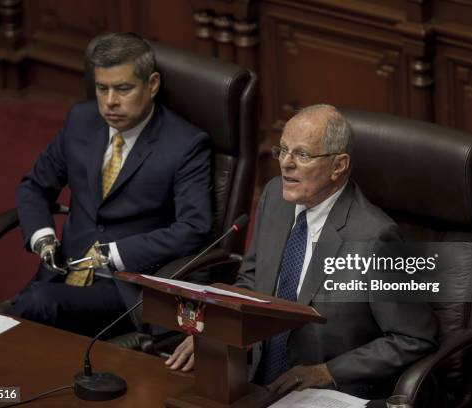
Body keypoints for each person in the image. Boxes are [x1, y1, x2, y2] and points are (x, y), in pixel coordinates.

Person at [165, 104, 437, 399]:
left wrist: (327, 371)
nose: (285, 163)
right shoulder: (274, 196)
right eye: (282, 150)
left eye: (302, 154)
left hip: (328, 392)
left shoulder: (374, 238)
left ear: (338, 165)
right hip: (254, 377)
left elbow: (412, 337)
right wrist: (217, 330)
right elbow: (251, 281)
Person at [8, 32, 212, 336]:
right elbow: (35, 186)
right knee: (31, 321)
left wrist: (112, 254)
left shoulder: (185, 144)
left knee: (34, 307)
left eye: (123, 89)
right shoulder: (81, 119)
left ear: (152, 85)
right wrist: (43, 237)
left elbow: (194, 227)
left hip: (125, 287)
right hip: (63, 272)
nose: (110, 102)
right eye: (101, 88)